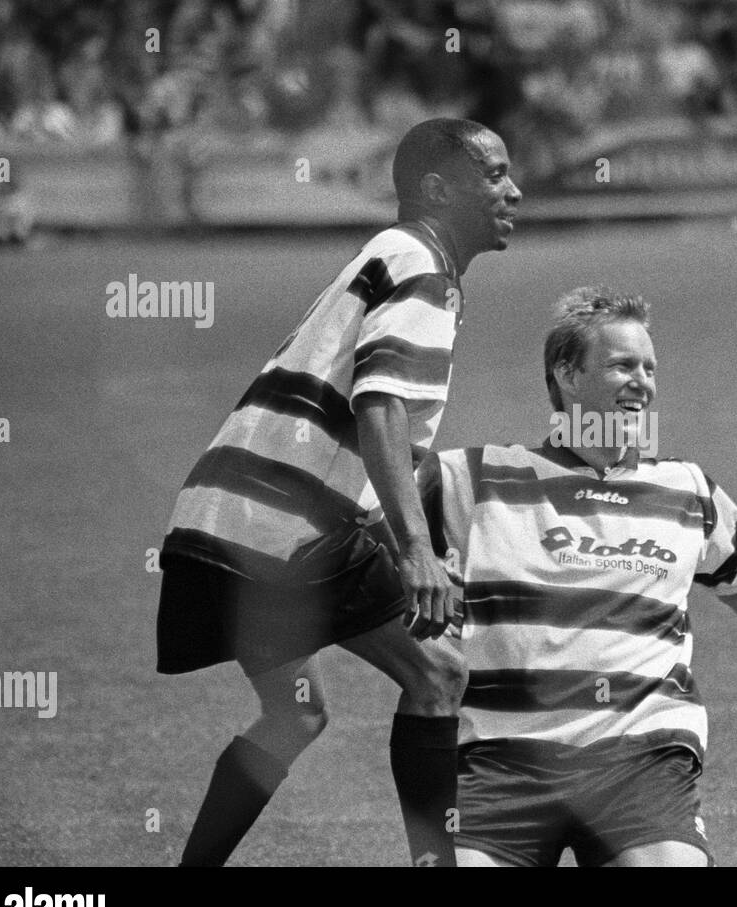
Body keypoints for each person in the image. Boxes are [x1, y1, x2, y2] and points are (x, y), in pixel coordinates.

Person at [156, 117, 522, 866]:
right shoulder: (421, 264)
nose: (514, 189)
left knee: (296, 714)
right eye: (494, 175)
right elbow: (378, 407)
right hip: (282, 529)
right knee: (439, 672)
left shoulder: (392, 259)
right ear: (436, 188)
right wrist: (416, 550)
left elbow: (354, 425)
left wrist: (400, 542)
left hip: (217, 519)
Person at [415, 287, 737, 867]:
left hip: (640, 759)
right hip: (504, 760)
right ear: (567, 376)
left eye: (649, 368)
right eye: (623, 365)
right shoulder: (474, 478)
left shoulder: (687, 488)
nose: (642, 382)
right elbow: (370, 516)